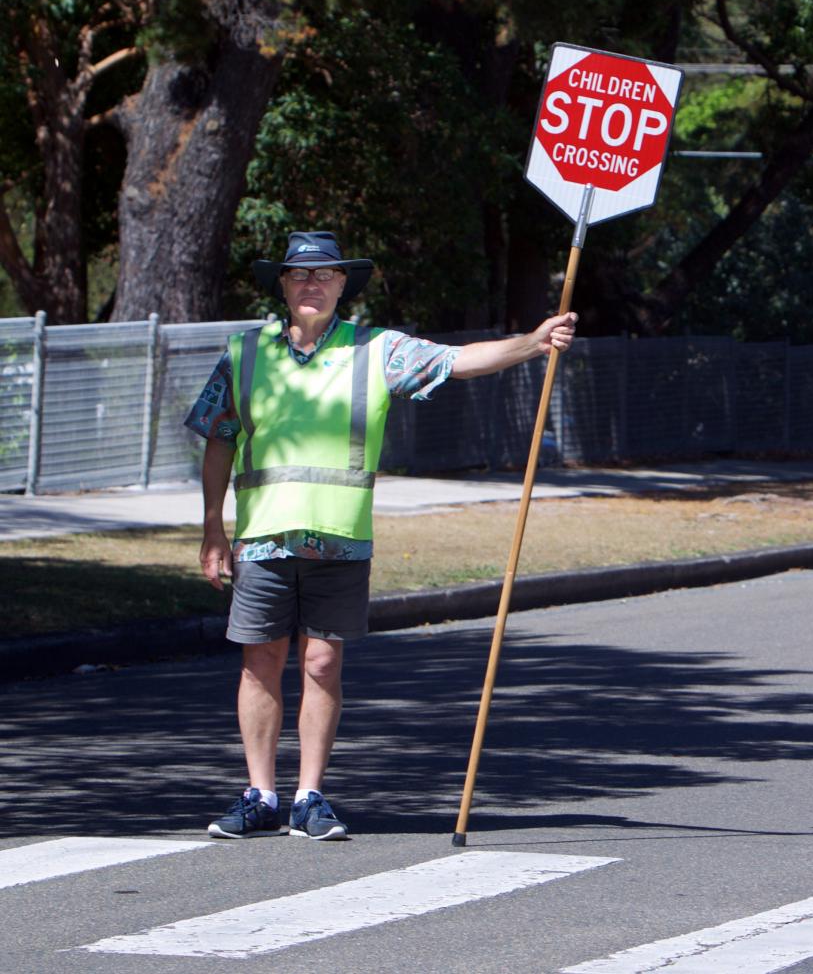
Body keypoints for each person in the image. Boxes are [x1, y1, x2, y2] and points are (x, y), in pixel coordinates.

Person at [185, 231, 577, 841]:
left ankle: (309, 797)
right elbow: (217, 439)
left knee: (321, 662)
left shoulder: (376, 350)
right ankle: (260, 794)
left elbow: (458, 360)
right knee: (260, 662)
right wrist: (213, 528)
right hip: (261, 538)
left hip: (339, 538)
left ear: (344, 284)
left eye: (324, 275)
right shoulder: (245, 353)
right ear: (282, 285)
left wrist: (533, 342)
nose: (311, 284)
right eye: (298, 275)